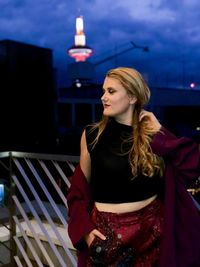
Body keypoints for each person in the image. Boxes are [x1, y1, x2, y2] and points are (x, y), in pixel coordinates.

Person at [67, 67, 200, 267]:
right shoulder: (91, 135)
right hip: (106, 235)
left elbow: (192, 165)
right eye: (103, 91)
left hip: (152, 235)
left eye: (111, 91)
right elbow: (78, 190)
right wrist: (84, 230)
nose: (103, 97)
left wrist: (160, 132)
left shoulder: (154, 135)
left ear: (132, 97)